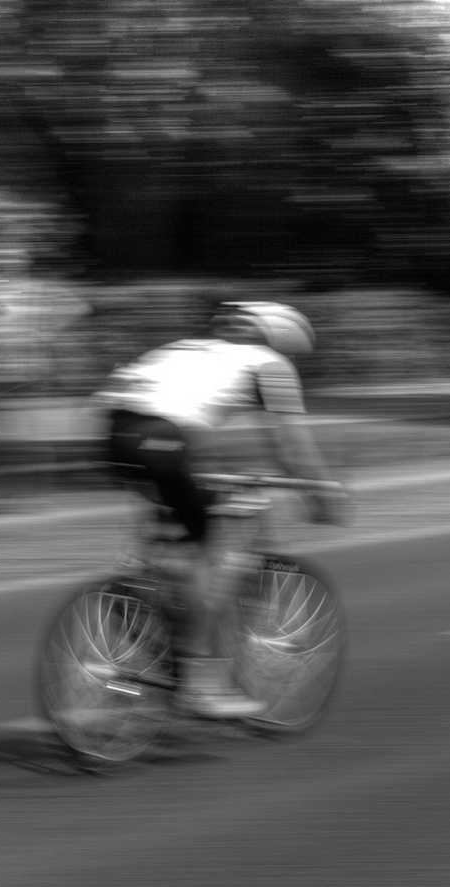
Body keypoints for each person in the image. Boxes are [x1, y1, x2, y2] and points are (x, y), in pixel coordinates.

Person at [91, 301, 347, 719]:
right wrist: (319, 489)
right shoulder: (267, 361)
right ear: (279, 339)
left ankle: (139, 592)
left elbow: (184, 421)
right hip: (162, 440)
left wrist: (207, 474)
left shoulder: (186, 349)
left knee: (176, 522)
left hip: (115, 438)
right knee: (206, 552)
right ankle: (199, 683)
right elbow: (289, 443)